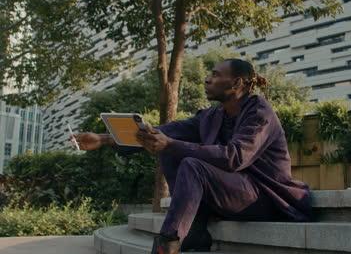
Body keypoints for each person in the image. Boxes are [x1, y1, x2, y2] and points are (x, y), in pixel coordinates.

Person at [71, 59, 313, 254]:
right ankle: (195, 232)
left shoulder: (259, 112)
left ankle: (167, 246)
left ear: (237, 82)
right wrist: (103, 139)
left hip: (264, 196)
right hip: (232, 193)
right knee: (171, 150)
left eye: (216, 75)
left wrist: (172, 144)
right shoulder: (211, 116)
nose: (208, 79)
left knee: (187, 159)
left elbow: (234, 157)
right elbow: (163, 133)